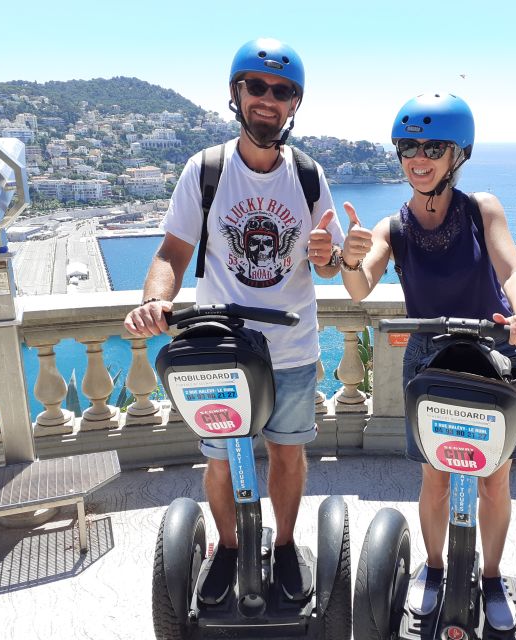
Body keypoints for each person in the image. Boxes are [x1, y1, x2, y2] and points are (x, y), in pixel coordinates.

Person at [124, 37, 344, 603]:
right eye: (257, 87)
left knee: (289, 455)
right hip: (220, 349)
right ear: (236, 94)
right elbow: (172, 252)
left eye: (282, 91)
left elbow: (331, 263)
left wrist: (332, 257)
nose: (268, 100)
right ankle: (227, 546)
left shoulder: (311, 176)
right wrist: (156, 300)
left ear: (294, 103)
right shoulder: (207, 170)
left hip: (292, 349)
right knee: (222, 464)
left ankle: (288, 543)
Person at [338, 92, 516, 631]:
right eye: (409, 145)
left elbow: (511, 271)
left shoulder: (483, 210)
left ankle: (493, 576)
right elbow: (360, 288)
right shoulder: (394, 226)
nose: (418, 157)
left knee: (494, 481)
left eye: (433, 146)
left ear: (458, 154)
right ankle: (433, 569)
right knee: (434, 478)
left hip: (494, 357)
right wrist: (350, 257)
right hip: (432, 361)